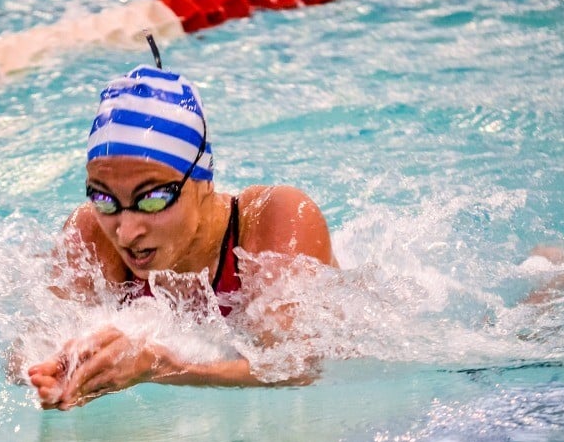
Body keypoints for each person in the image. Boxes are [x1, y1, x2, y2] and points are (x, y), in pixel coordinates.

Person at [24, 60, 337, 411]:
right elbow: (25, 349)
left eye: (154, 199)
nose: (126, 232)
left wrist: (163, 368)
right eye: (104, 198)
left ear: (204, 180)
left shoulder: (275, 218)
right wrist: (56, 368)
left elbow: (295, 368)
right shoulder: (91, 232)